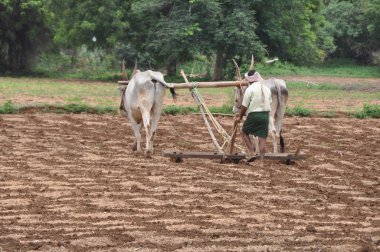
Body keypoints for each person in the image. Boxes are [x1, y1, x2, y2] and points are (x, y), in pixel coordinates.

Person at [235, 70, 272, 166]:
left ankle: (251, 152)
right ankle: (262, 162)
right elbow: (270, 102)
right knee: (262, 137)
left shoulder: (249, 89)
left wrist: (240, 116)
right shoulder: (266, 89)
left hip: (254, 115)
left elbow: (244, 106)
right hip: (265, 115)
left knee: (244, 131)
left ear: (248, 80)